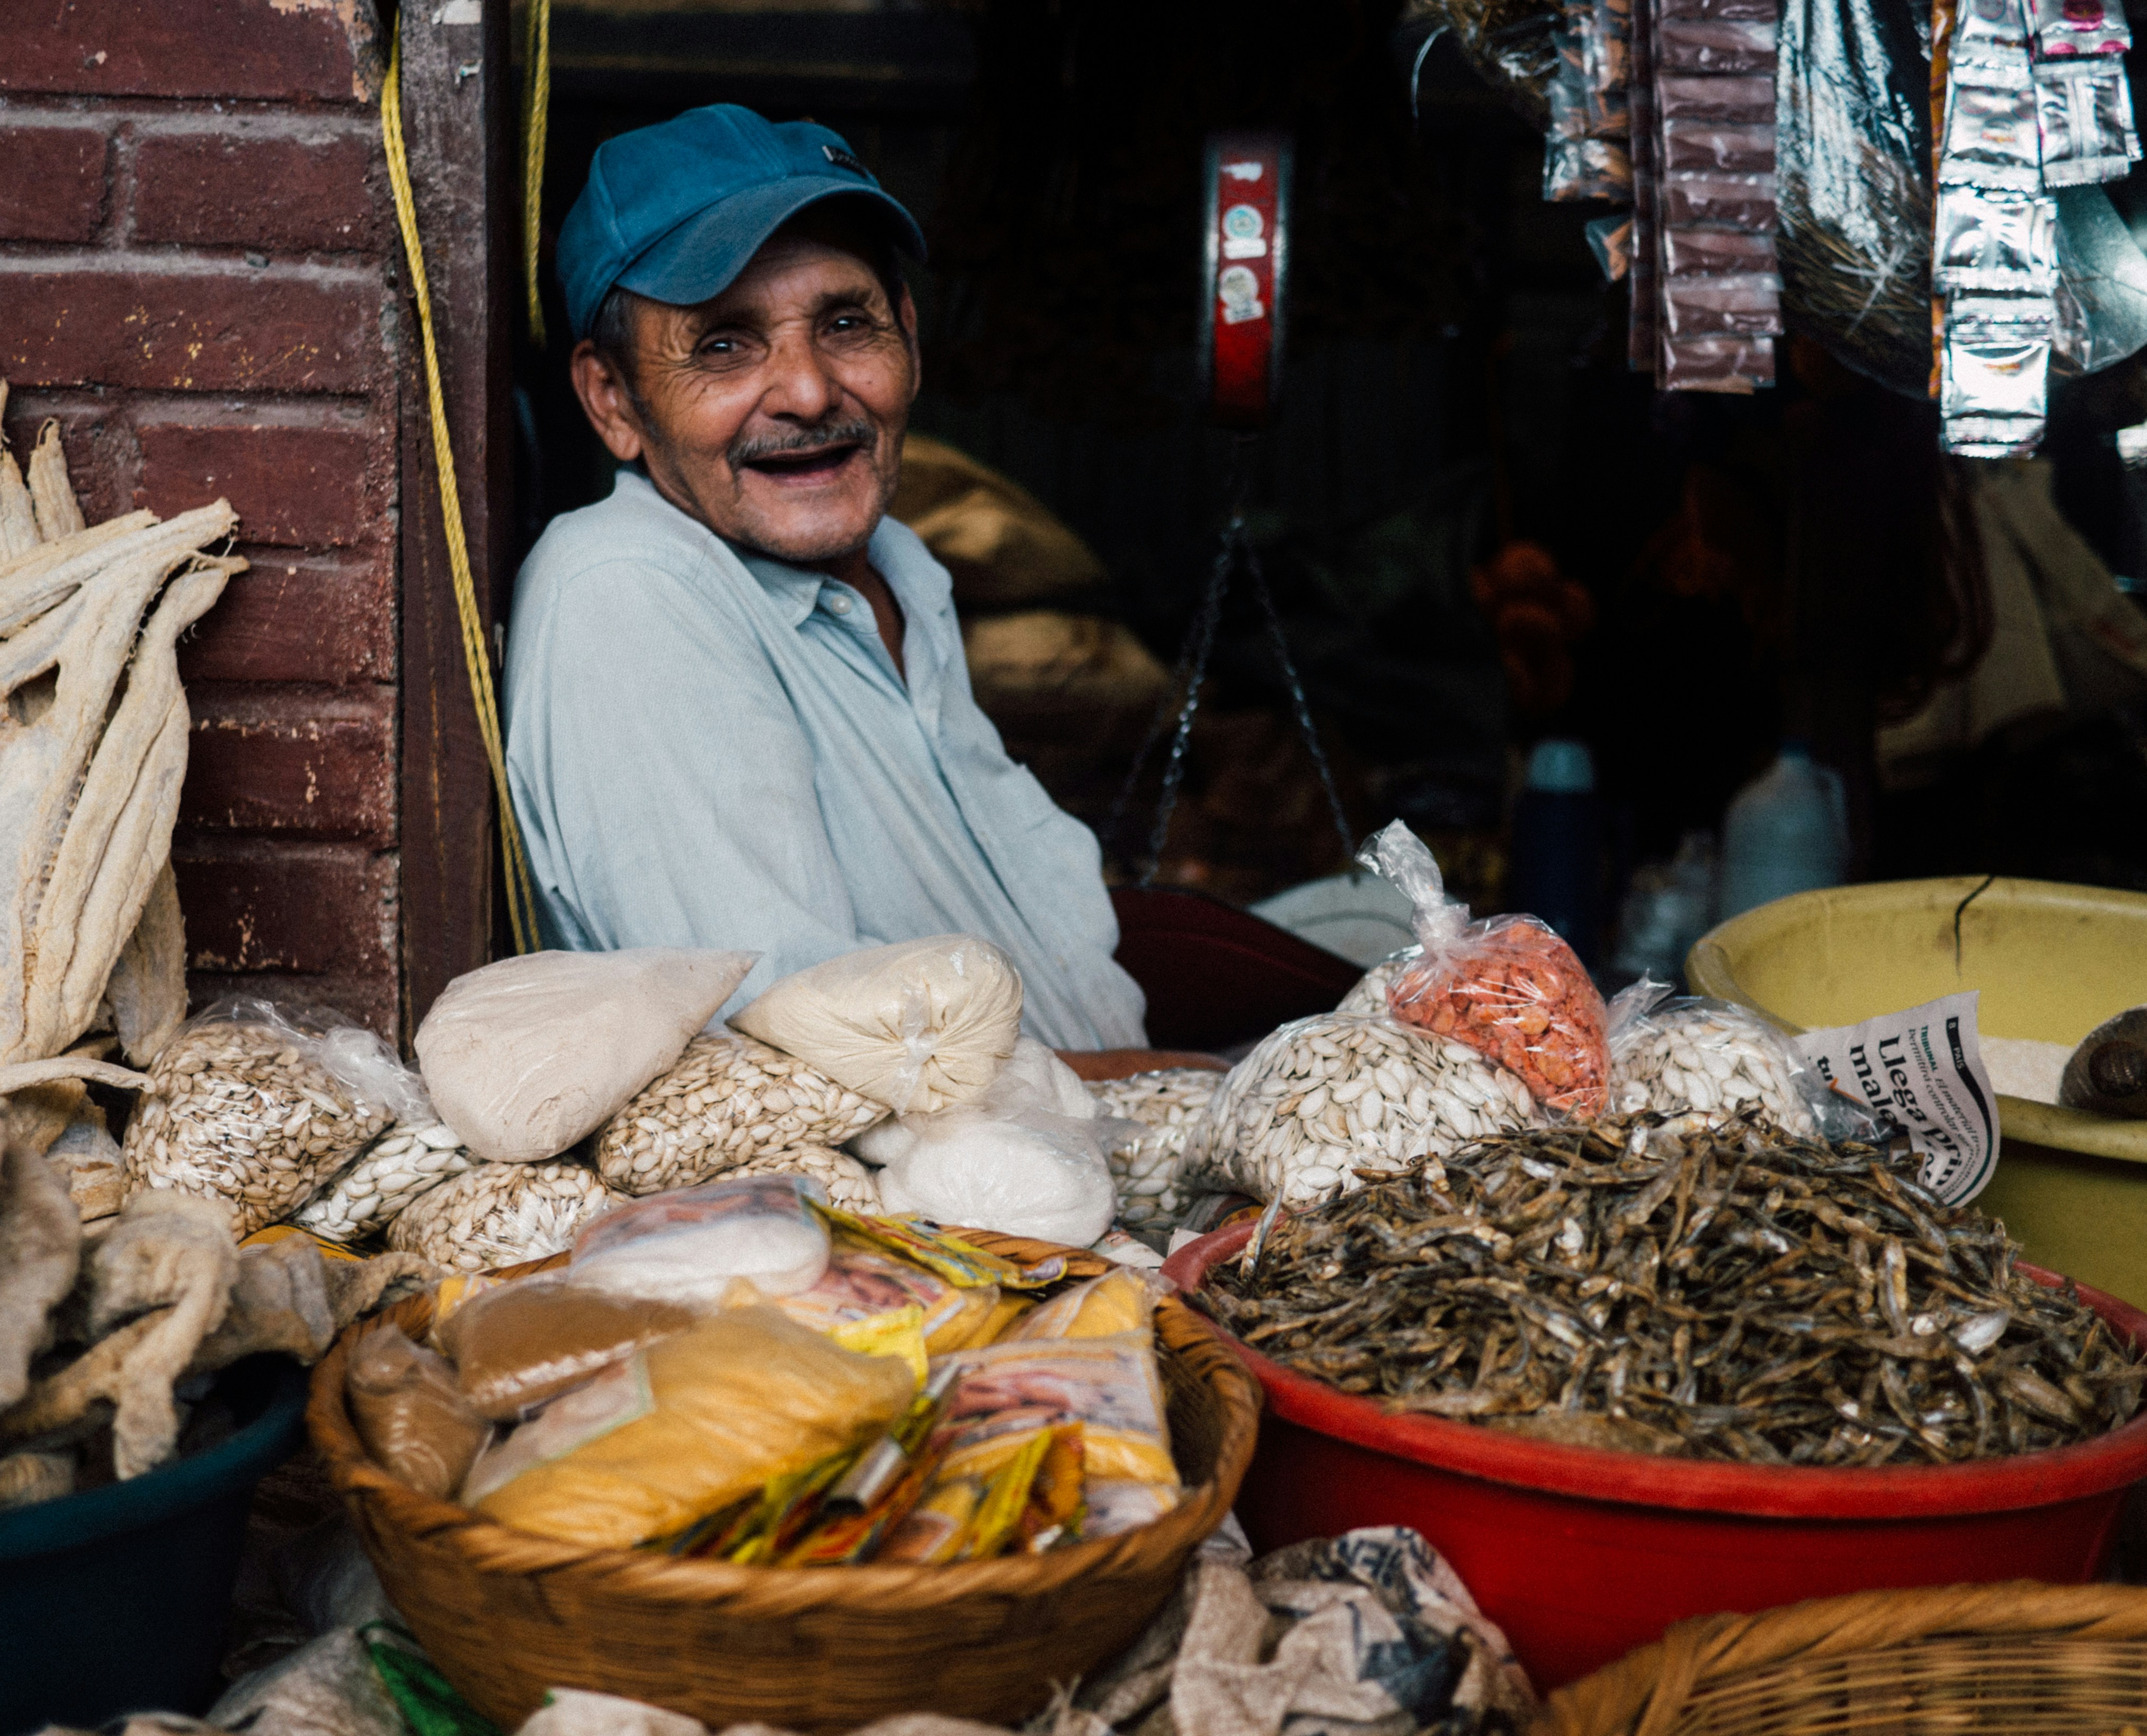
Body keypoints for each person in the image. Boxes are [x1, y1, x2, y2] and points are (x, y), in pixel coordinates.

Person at [505, 104, 1147, 1050]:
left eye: (846, 323)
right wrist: (1161, 1092)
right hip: (899, 1197)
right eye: (723, 344)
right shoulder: (627, 591)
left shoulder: (902, 569)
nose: (808, 392)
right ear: (614, 400)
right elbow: (797, 1052)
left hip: (1076, 1162)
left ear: (910, 342)